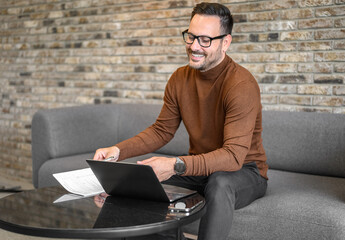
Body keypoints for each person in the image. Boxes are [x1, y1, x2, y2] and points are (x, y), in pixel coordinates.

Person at [93, 2, 268, 240]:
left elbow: (233, 156)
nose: (194, 46)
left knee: (219, 183)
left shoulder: (241, 85)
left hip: (245, 171)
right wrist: (117, 150)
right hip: (200, 166)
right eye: (191, 36)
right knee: (138, 183)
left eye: (205, 40)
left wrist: (176, 164)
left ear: (225, 42)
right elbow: (162, 131)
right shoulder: (179, 79)